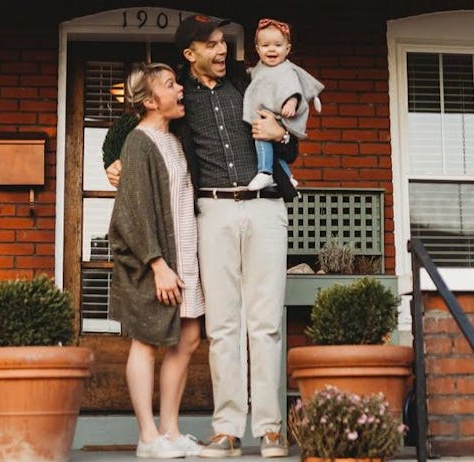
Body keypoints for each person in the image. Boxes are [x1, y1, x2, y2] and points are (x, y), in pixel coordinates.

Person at [106, 14, 296, 459]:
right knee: (224, 325)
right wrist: (115, 164)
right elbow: (123, 131)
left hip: (265, 207)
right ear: (190, 54)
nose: (222, 49)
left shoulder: (250, 83)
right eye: (211, 44)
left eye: (224, 42)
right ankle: (227, 430)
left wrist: (281, 134)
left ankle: (270, 429)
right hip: (211, 212)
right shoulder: (177, 97)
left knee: (266, 324)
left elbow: (293, 135)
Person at [108, 62, 205, 459]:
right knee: (146, 341)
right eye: (171, 84)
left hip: (183, 254)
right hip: (154, 261)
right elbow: (133, 212)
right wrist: (157, 264)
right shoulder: (138, 142)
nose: (180, 88)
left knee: (189, 337)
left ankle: (170, 429)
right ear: (150, 101)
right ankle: (148, 437)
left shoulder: (173, 140)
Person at [243, 18, 324, 191]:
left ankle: (265, 172)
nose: (271, 49)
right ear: (257, 49)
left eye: (277, 45)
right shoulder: (260, 68)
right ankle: (288, 177)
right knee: (274, 151)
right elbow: (255, 77)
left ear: (287, 49)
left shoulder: (286, 70)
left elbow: (294, 89)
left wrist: (291, 103)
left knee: (262, 139)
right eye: (265, 46)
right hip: (268, 115)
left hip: (279, 116)